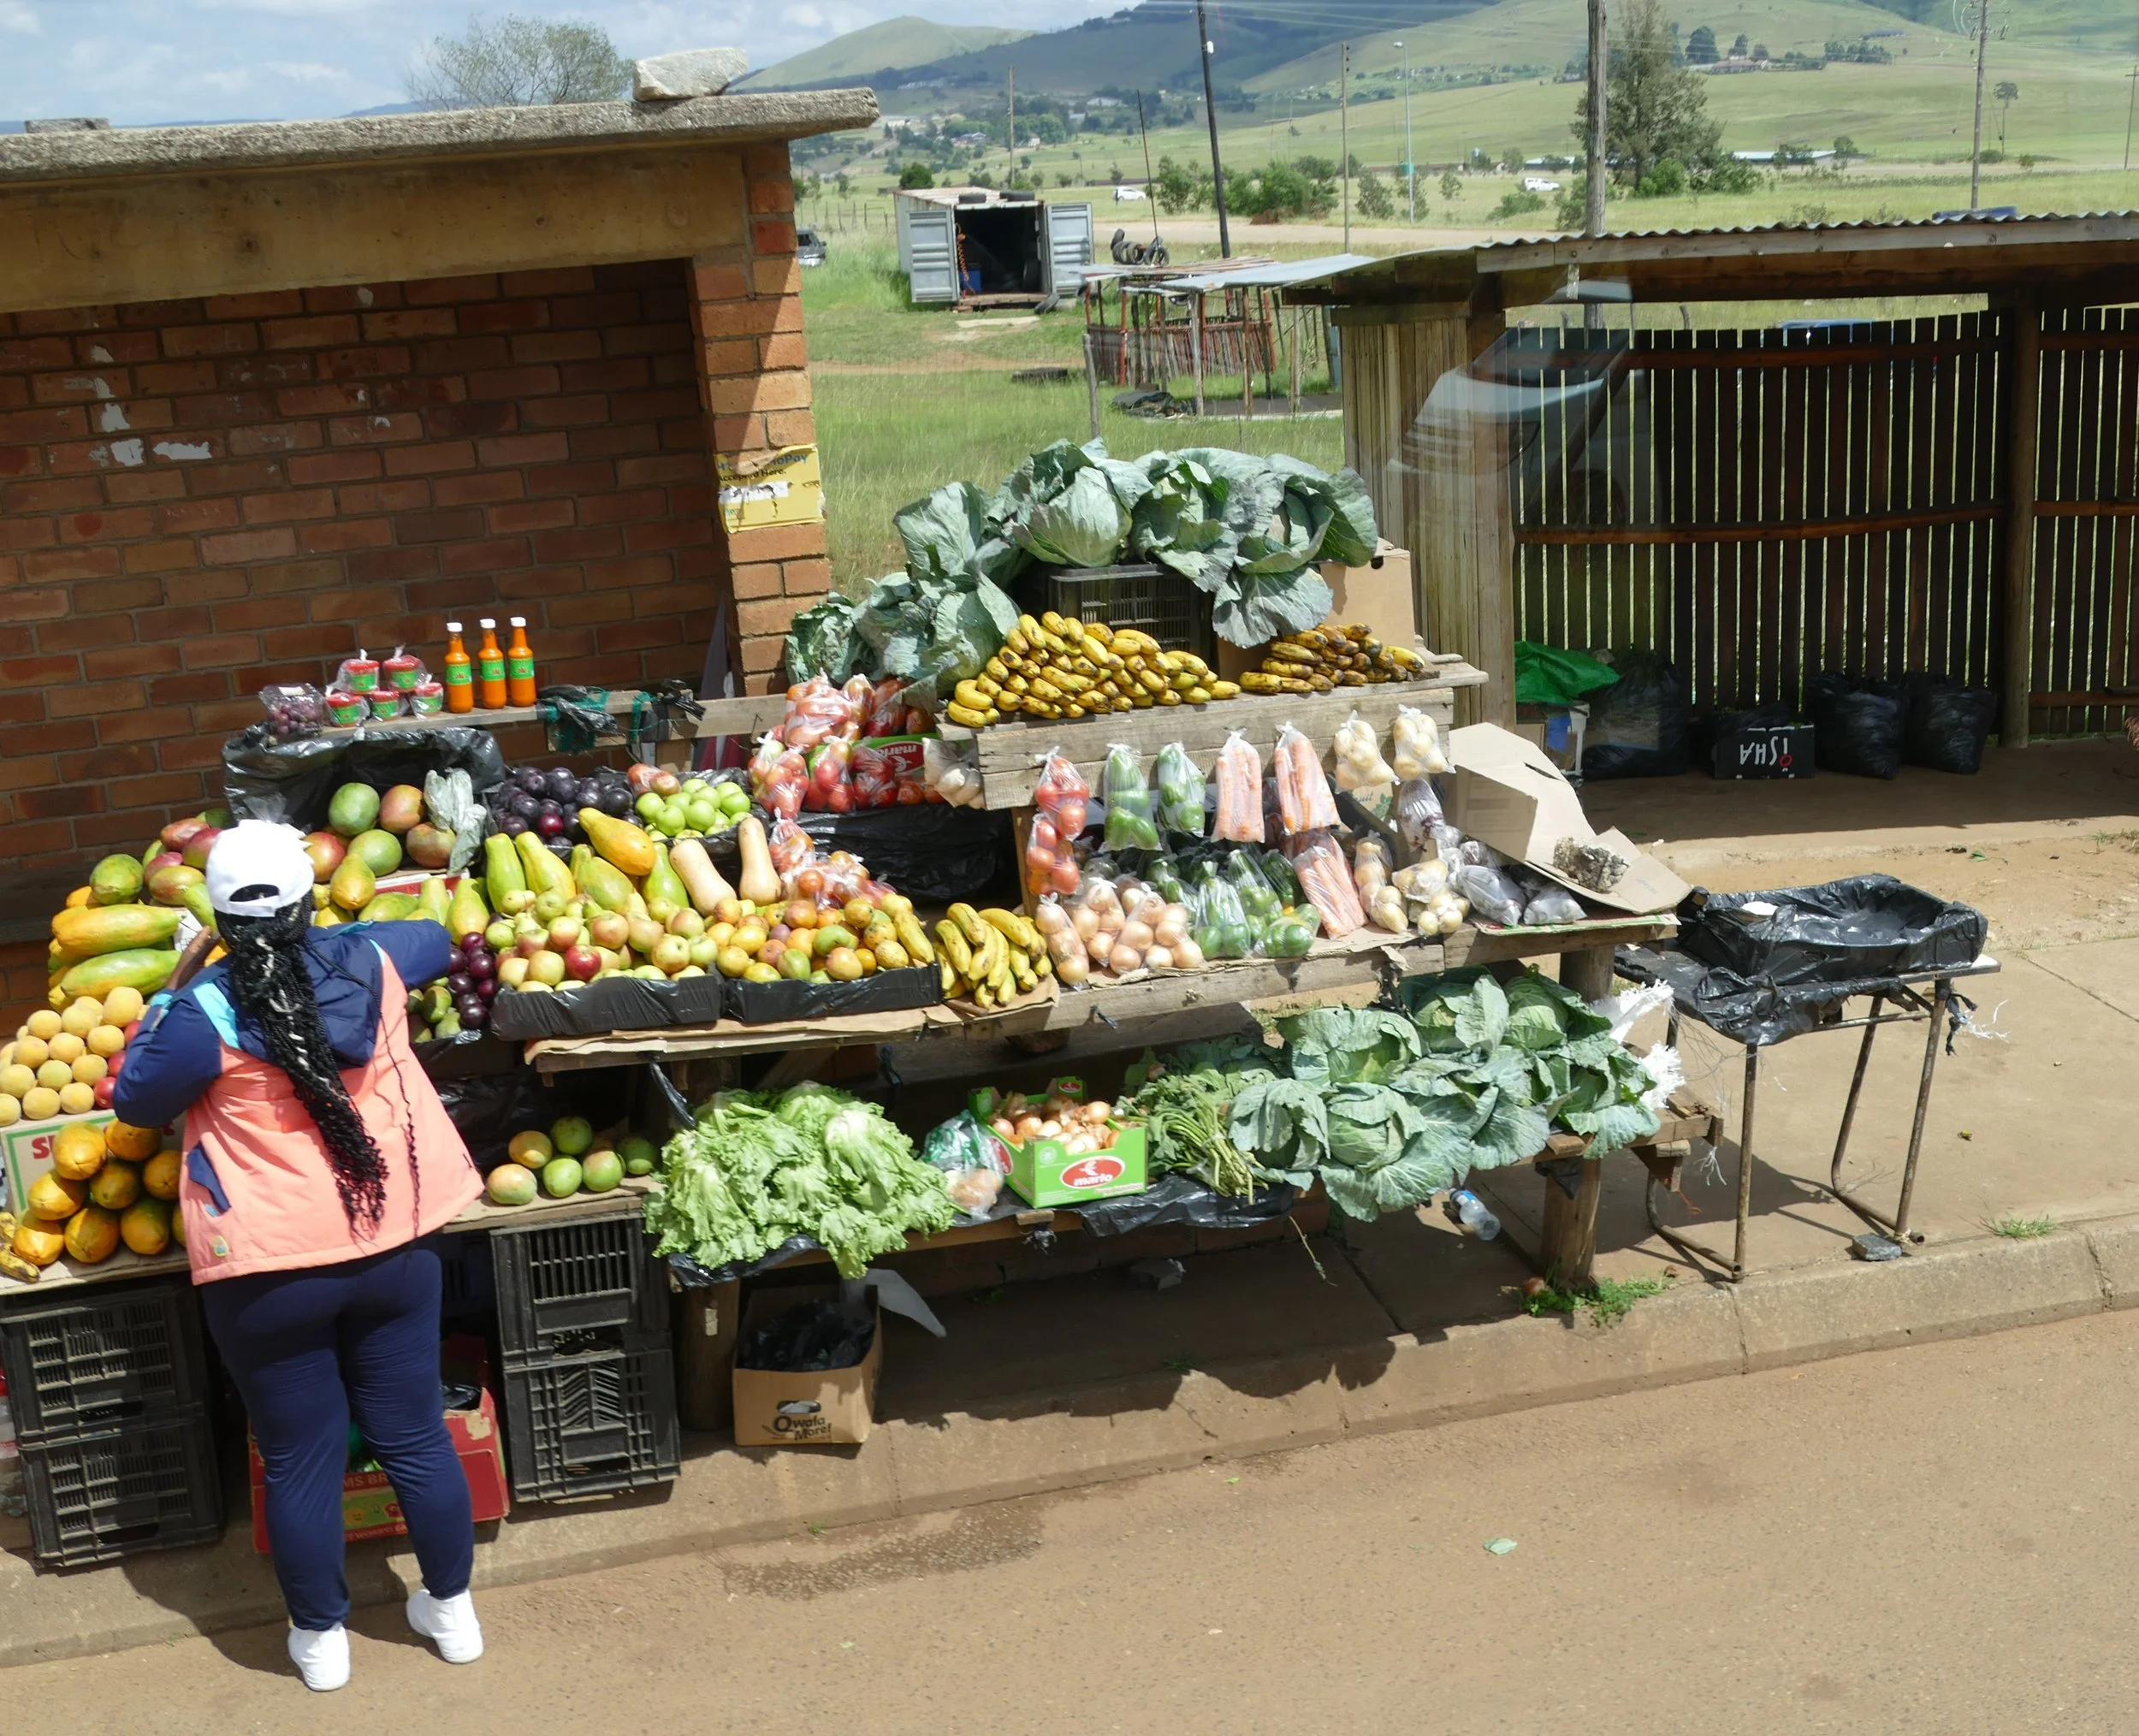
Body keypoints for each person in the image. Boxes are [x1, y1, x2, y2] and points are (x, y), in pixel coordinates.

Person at [115, 821, 488, 1692]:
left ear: (214, 918)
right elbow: (437, 936)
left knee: (300, 1455)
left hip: (268, 1273)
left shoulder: (202, 1012)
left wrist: (178, 979)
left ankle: (322, 1644)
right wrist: (333, 937)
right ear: (306, 901)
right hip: (391, 1246)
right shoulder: (380, 961)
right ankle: (453, 1613)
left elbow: (137, 1099)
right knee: (413, 1433)